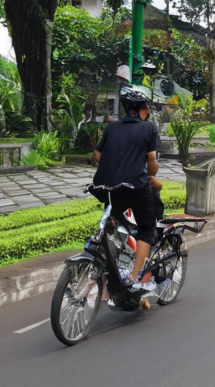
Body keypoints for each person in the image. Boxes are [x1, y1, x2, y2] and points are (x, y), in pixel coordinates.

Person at [93, 87, 159, 292]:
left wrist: (116, 166)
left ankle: (107, 270)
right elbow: (151, 160)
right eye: (146, 107)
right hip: (136, 187)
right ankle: (134, 278)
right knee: (147, 229)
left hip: (109, 187)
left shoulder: (112, 128)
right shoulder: (148, 128)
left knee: (111, 224)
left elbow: (97, 154)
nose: (147, 111)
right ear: (141, 109)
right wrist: (151, 175)